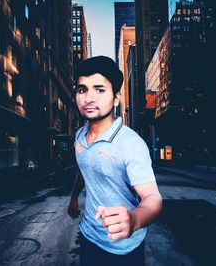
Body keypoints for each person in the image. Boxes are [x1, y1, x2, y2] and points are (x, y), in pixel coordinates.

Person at [67, 56, 162, 266]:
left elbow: (153, 198)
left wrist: (134, 220)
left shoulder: (131, 144)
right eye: (82, 90)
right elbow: (85, 167)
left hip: (123, 247)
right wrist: (74, 197)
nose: (89, 98)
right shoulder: (80, 136)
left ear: (116, 98)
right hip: (88, 235)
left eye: (99, 90)